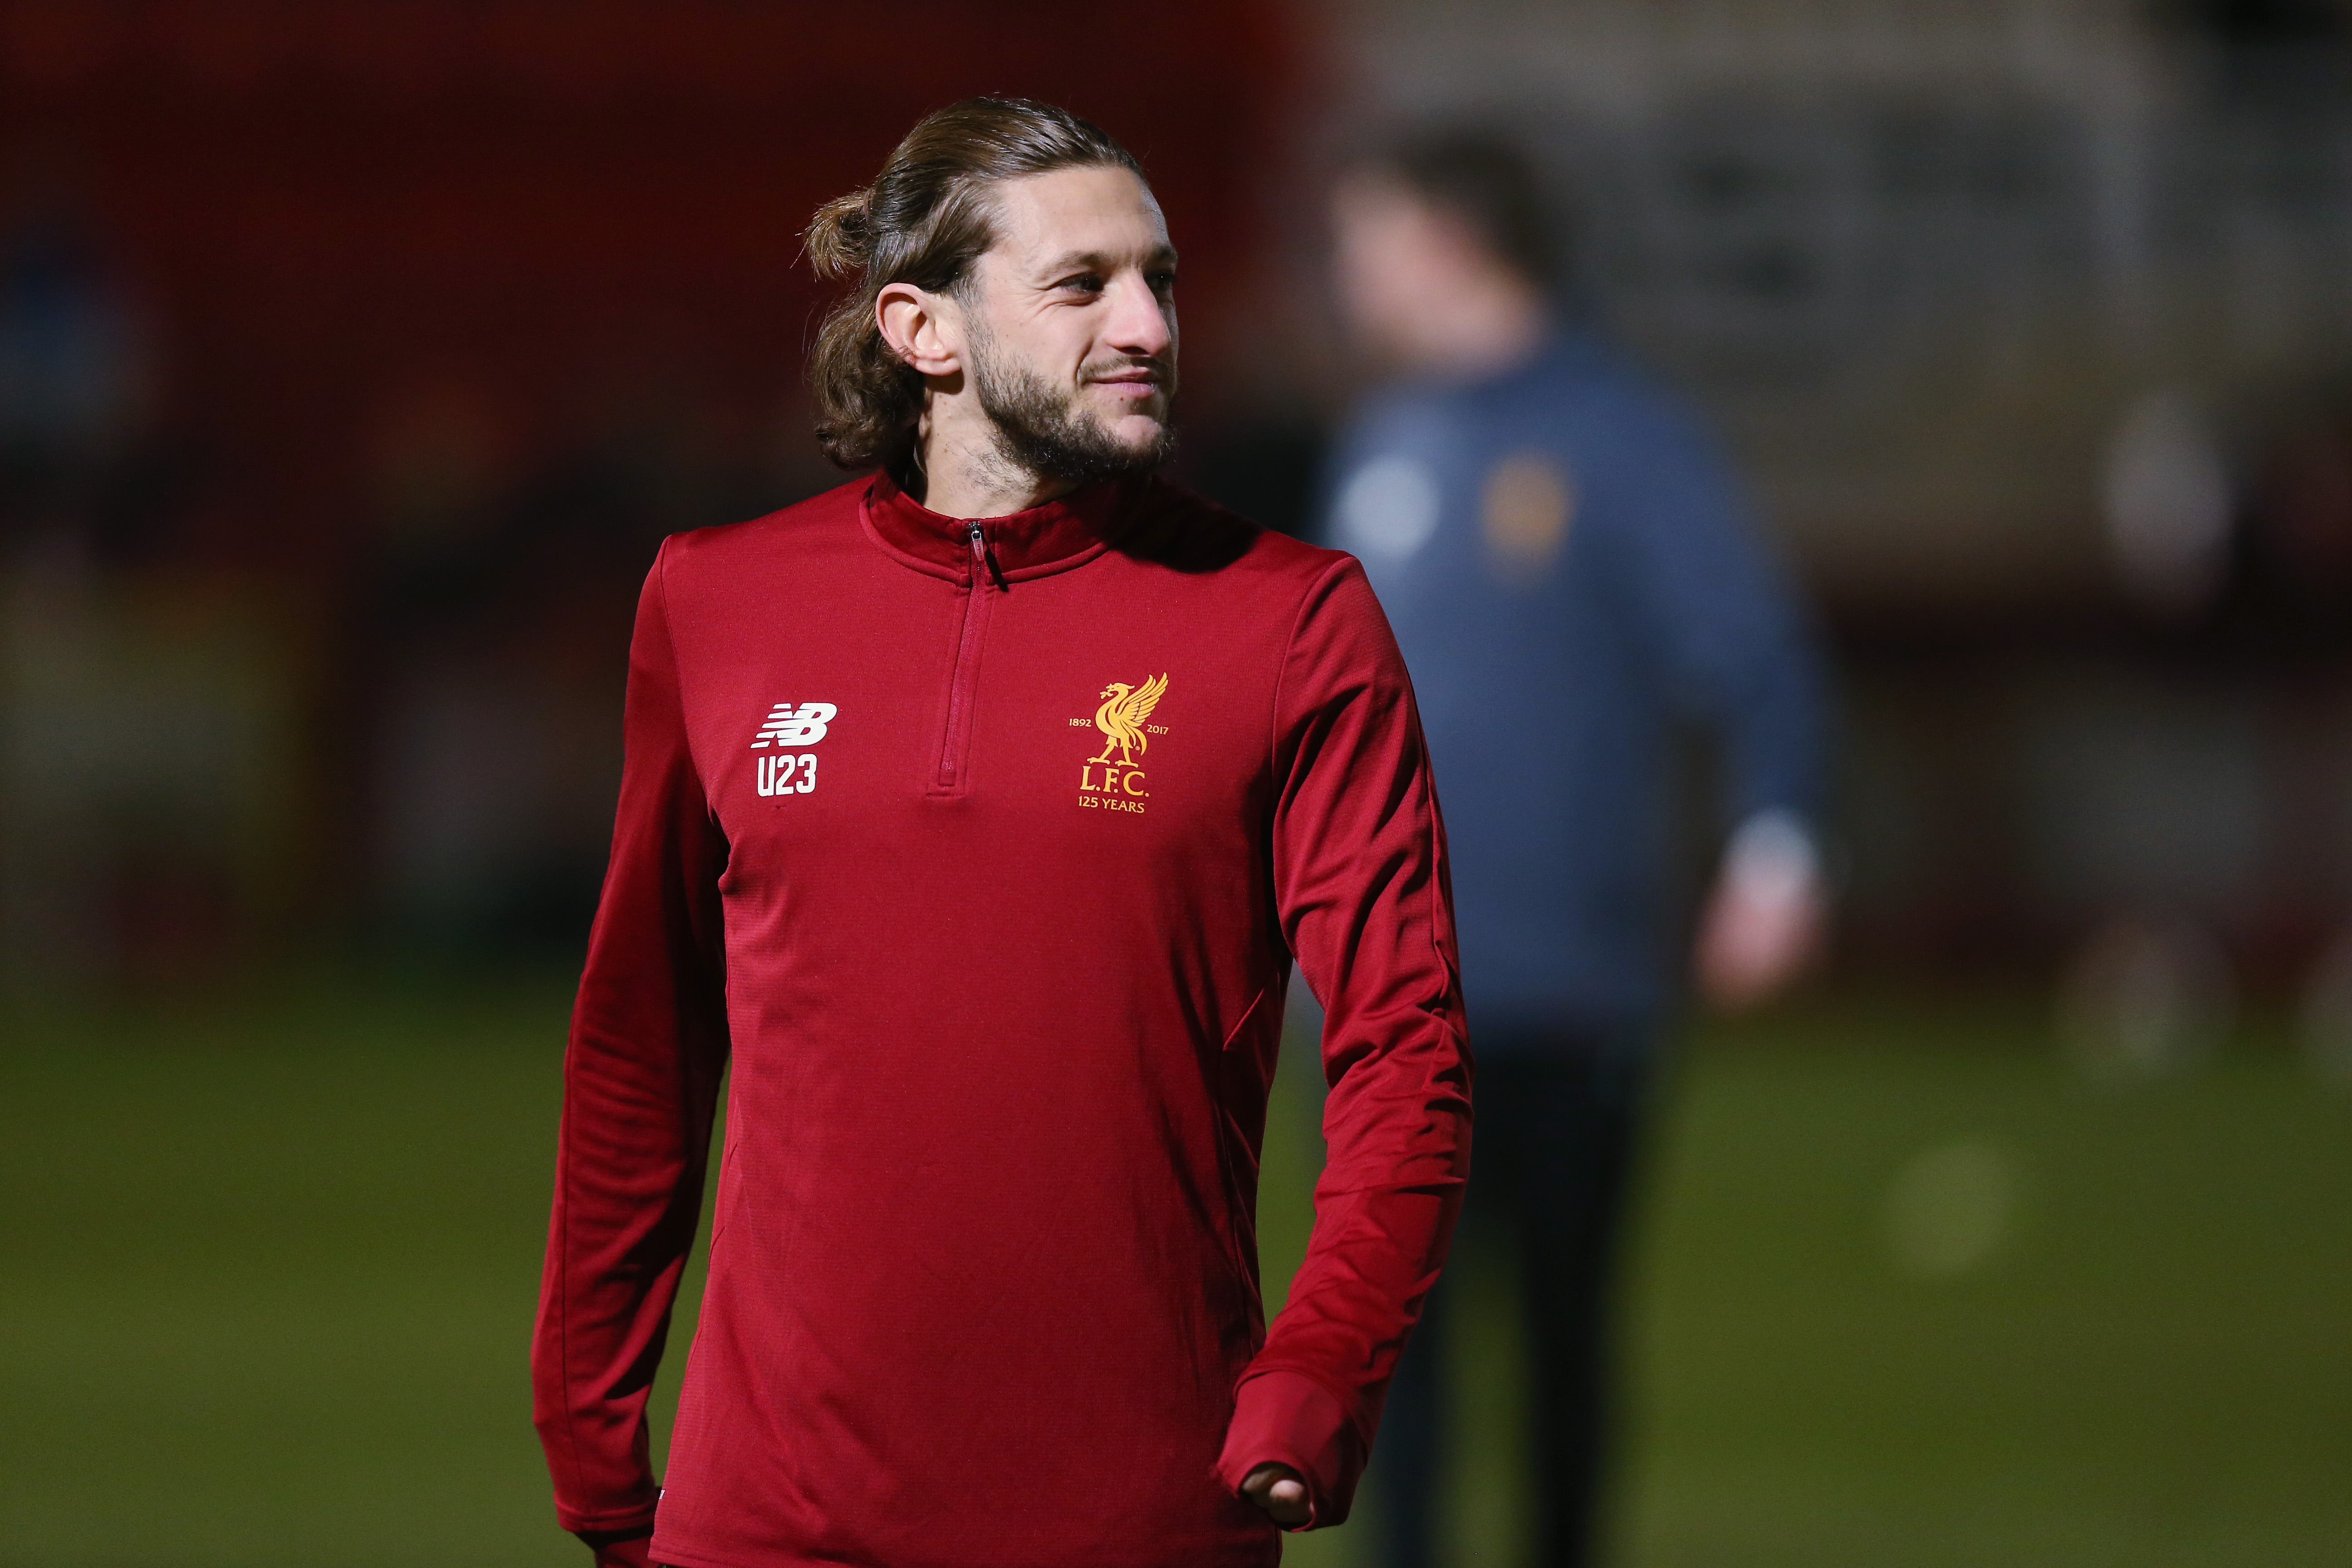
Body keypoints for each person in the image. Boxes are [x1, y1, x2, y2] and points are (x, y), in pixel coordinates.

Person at [530, 98, 1472, 1568]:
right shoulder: (713, 602)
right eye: (1083, 284)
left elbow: (1407, 1057)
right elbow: (643, 1043)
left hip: (1142, 1513)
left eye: (1159, 279)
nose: (1150, 323)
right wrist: (592, 1432)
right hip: (763, 1520)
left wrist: (1319, 1368)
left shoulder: (1295, 619)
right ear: (925, 332)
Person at [1324, 131, 1829, 1568]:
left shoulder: (1618, 435)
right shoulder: (1387, 438)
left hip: (1562, 990)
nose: (1346, 270)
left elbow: (1755, 656)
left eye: (1367, 234)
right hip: (1379, 997)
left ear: (1448, 239)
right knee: (1378, 1370)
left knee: (1557, 1353)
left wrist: (1776, 850)